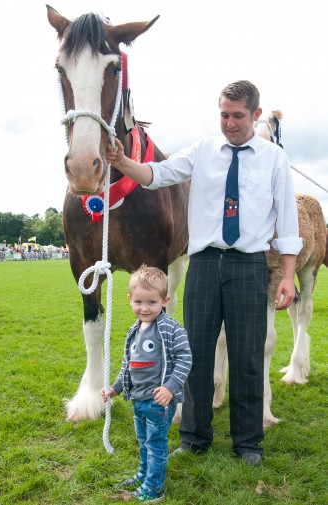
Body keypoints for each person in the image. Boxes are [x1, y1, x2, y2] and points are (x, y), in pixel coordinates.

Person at [105, 80, 303, 466]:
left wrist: (287, 274)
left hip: (249, 264)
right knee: (192, 354)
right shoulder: (203, 151)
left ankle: (248, 443)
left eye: (238, 116)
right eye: (224, 115)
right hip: (205, 264)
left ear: (256, 115)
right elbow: (155, 174)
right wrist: (120, 162)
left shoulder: (274, 159)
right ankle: (194, 437)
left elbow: (288, 220)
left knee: (247, 356)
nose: (229, 123)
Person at [102, 265, 192, 502]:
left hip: (158, 402)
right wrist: (115, 388)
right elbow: (127, 367)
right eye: (139, 302)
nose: (144, 308)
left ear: (165, 301)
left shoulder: (172, 329)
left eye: (152, 302)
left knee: (156, 445)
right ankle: (144, 473)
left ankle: (154, 487)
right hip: (138, 400)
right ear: (130, 300)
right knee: (143, 442)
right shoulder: (134, 331)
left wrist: (170, 388)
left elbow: (185, 358)